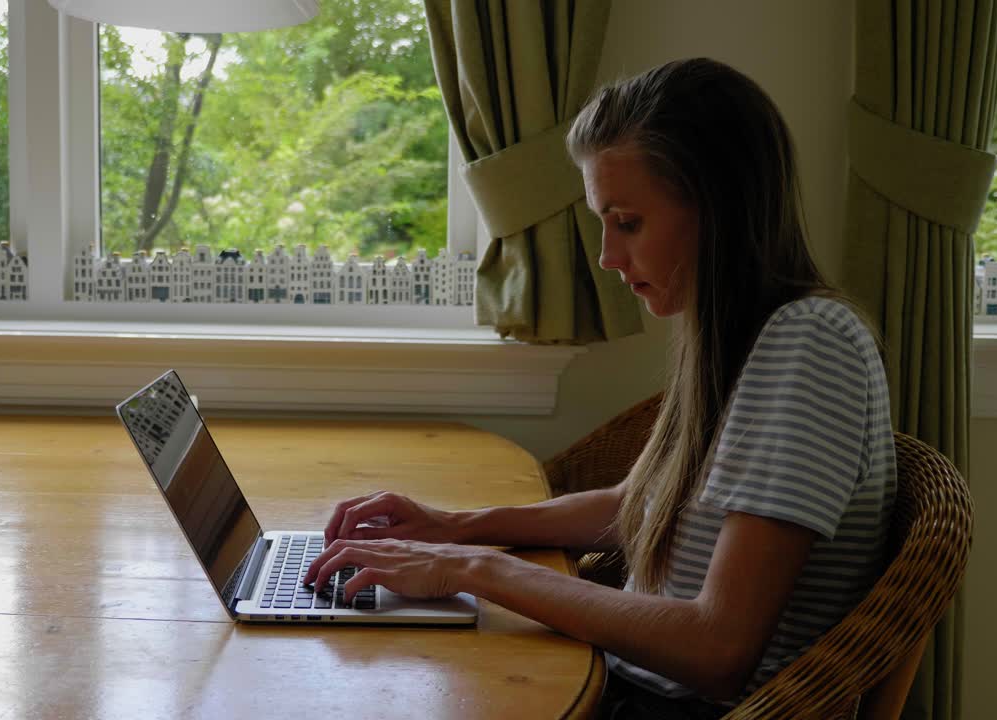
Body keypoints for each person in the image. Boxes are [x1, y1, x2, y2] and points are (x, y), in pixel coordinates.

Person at [303, 57, 896, 719]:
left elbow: (719, 648)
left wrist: (473, 570)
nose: (609, 257)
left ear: (717, 208)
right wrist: (457, 528)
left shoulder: (811, 346)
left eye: (629, 223)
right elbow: (638, 507)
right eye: (603, 224)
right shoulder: (743, 339)